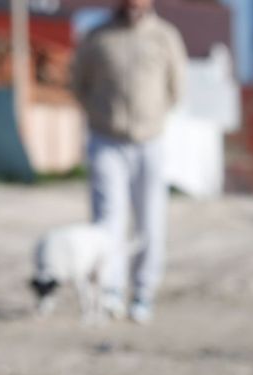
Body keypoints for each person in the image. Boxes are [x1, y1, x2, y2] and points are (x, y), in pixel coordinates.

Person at [70, 0, 187, 324]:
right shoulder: (97, 37)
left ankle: (143, 292)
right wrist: (98, 115)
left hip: (149, 140)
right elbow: (78, 83)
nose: (134, 9)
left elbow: (177, 86)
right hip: (106, 139)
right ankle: (110, 290)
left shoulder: (165, 37)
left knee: (150, 217)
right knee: (108, 218)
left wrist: (153, 118)